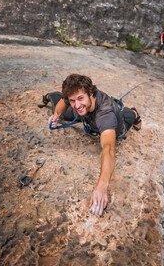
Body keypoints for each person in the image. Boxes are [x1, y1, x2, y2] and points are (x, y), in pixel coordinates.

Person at [47, 74, 141, 217]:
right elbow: (63, 101)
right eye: (73, 100)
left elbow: (108, 149)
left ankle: (133, 113)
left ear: (91, 93)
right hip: (88, 117)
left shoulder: (106, 114)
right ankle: (48, 96)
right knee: (64, 113)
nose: (77, 104)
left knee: (125, 121)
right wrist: (56, 115)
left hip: (112, 125)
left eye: (80, 98)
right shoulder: (77, 102)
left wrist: (102, 186)